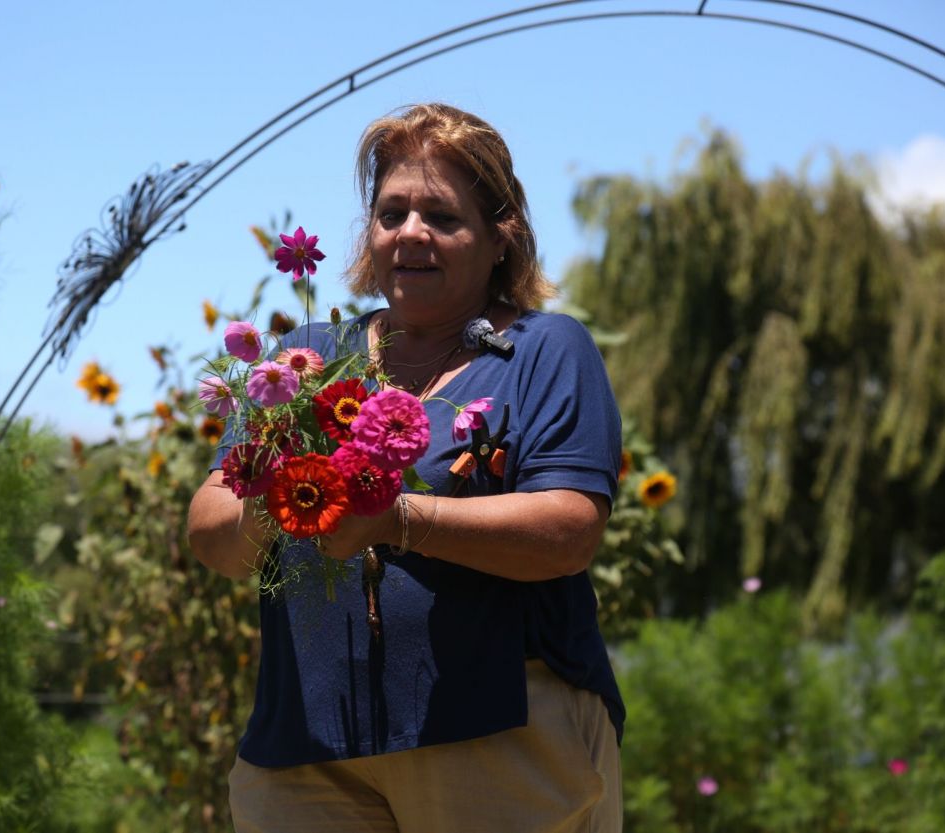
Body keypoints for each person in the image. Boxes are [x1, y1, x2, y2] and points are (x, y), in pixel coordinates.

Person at [188, 103, 625, 832]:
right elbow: (213, 535)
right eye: (392, 213)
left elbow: (569, 530)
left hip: (498, 735)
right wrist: (283, 496)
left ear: (500, 236)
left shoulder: (544, 351)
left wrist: (396, 520)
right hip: (304, 751)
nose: (411, 232)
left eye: (443, 216)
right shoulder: (306, 359)